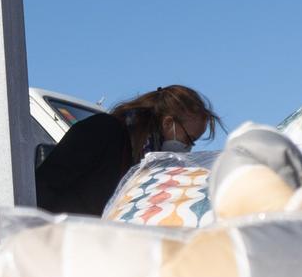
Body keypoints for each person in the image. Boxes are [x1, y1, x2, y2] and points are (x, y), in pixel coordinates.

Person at [35, 84, 222, 217]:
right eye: (189, 139)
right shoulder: (104, 130)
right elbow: (44, 187)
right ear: (167, 123)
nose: (188, 148)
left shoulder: (147, 161)